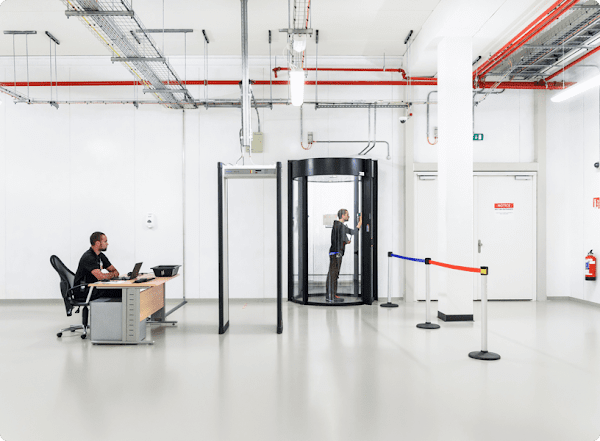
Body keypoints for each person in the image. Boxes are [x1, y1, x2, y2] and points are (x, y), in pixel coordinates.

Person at [325, 209, 362, 303]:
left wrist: (345, 242)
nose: (348, 216)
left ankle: (332, 295)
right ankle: (331, 296)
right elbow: (353, 232)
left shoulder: (338, 225)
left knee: (334, 275)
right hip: (336, 253)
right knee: (333, 275)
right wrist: (360, 223)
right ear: (342, 216)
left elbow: (337, 238)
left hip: (336, 252)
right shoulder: (340, 225)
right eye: (347, 215)